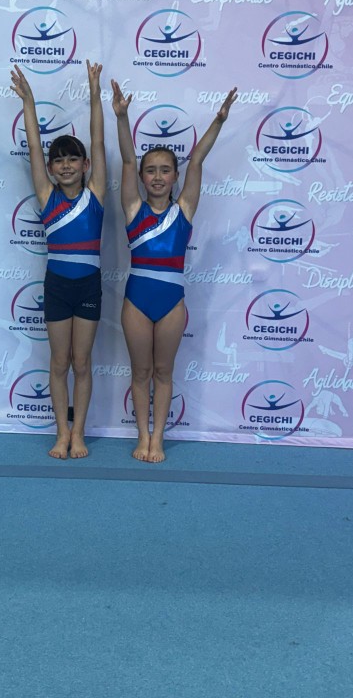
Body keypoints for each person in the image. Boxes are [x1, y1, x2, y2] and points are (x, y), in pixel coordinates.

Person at [111, 80, 237, 462]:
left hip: (171, 303)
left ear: (175, 177)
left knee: (164, 372)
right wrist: (122, 118)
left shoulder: (184, 210)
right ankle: (141, 436)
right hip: (136, 301)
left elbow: (196, 160)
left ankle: (158, 438)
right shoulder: (133, 208)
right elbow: (127, 160)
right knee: (140, 372)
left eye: (165, 170)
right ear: (142, 177)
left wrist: (218, 121)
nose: (157, 176)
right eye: (151, 171)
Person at [10, 61, 106, 459]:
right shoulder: (47, 196)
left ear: (85, 166)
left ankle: (78, 432)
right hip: (57, 286)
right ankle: (61, 432)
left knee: (82, 363)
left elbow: (98, 141)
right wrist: (29, 103)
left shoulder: (95, 194)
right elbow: (34, 146)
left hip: (88, 287)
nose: (66, 165)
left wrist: (95, 95)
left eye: (73, 159)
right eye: (59, 160)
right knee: (59, 362)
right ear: (50, 169)